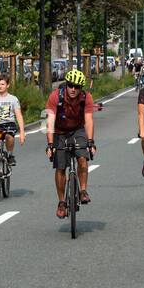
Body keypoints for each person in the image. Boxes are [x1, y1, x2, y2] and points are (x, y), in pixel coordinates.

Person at [44, 68, 95, 219]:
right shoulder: (55, 97)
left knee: (82, 158)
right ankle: (61, 202)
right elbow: (50, 122)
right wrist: (51, 144)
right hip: (59, 132)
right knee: (60, 167)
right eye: (71, 85)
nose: (73, 89)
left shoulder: (86, 98)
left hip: (77, 130)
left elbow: (89, 120)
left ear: (81, 88)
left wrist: (91, 142)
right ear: (66, 84)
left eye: (77, 87)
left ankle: (83, 191)